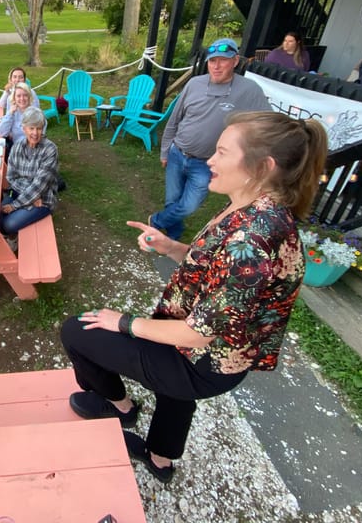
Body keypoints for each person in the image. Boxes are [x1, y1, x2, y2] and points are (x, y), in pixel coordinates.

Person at [60, 111, 328, 483]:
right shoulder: (254, 205)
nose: (209, 161)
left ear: (262, 166)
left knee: (76, 330)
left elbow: (197, 334)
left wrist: (123, 323)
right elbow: (214, 269)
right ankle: (160, 459)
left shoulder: (252, 240)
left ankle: (119, 407)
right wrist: (171, 247)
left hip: (203, 363)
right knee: (169, 377)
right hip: (207, 353)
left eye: (221, 152)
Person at [150, 38, 271, 241]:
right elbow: (174, 120)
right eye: (212, 60)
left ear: (235, 61)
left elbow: (268, 122)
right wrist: (165, 151)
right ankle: (173, 233)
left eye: (222, 60)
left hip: (207, 163)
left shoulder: (249, 90)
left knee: (188, 205)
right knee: (172, 201)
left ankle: (156, 221)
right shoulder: (194, 84)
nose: (216, 66)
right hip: (177, 153)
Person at [0, 107, 59, 242]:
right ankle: (13, 236)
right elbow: (11, 177)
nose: (35, 133)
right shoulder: (17, 147)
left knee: (9, 224)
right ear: (23, 128)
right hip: (23, 195)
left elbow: (39, 186)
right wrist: (31, 197)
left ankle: (13, 237)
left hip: (43, 200)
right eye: (31, 128)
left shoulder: (50, 149)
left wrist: (14, 206)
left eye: (39, 128)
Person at [0, 82, 43, 160]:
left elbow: (38, 137)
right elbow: (2, 132)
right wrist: (10, 113)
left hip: (33, 151)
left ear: (29, 97)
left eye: (25, 95)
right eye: (18, 96)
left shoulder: (35, 114)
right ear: (14, 98)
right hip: (16, 150)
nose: (22, 98)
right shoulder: (13, 113)